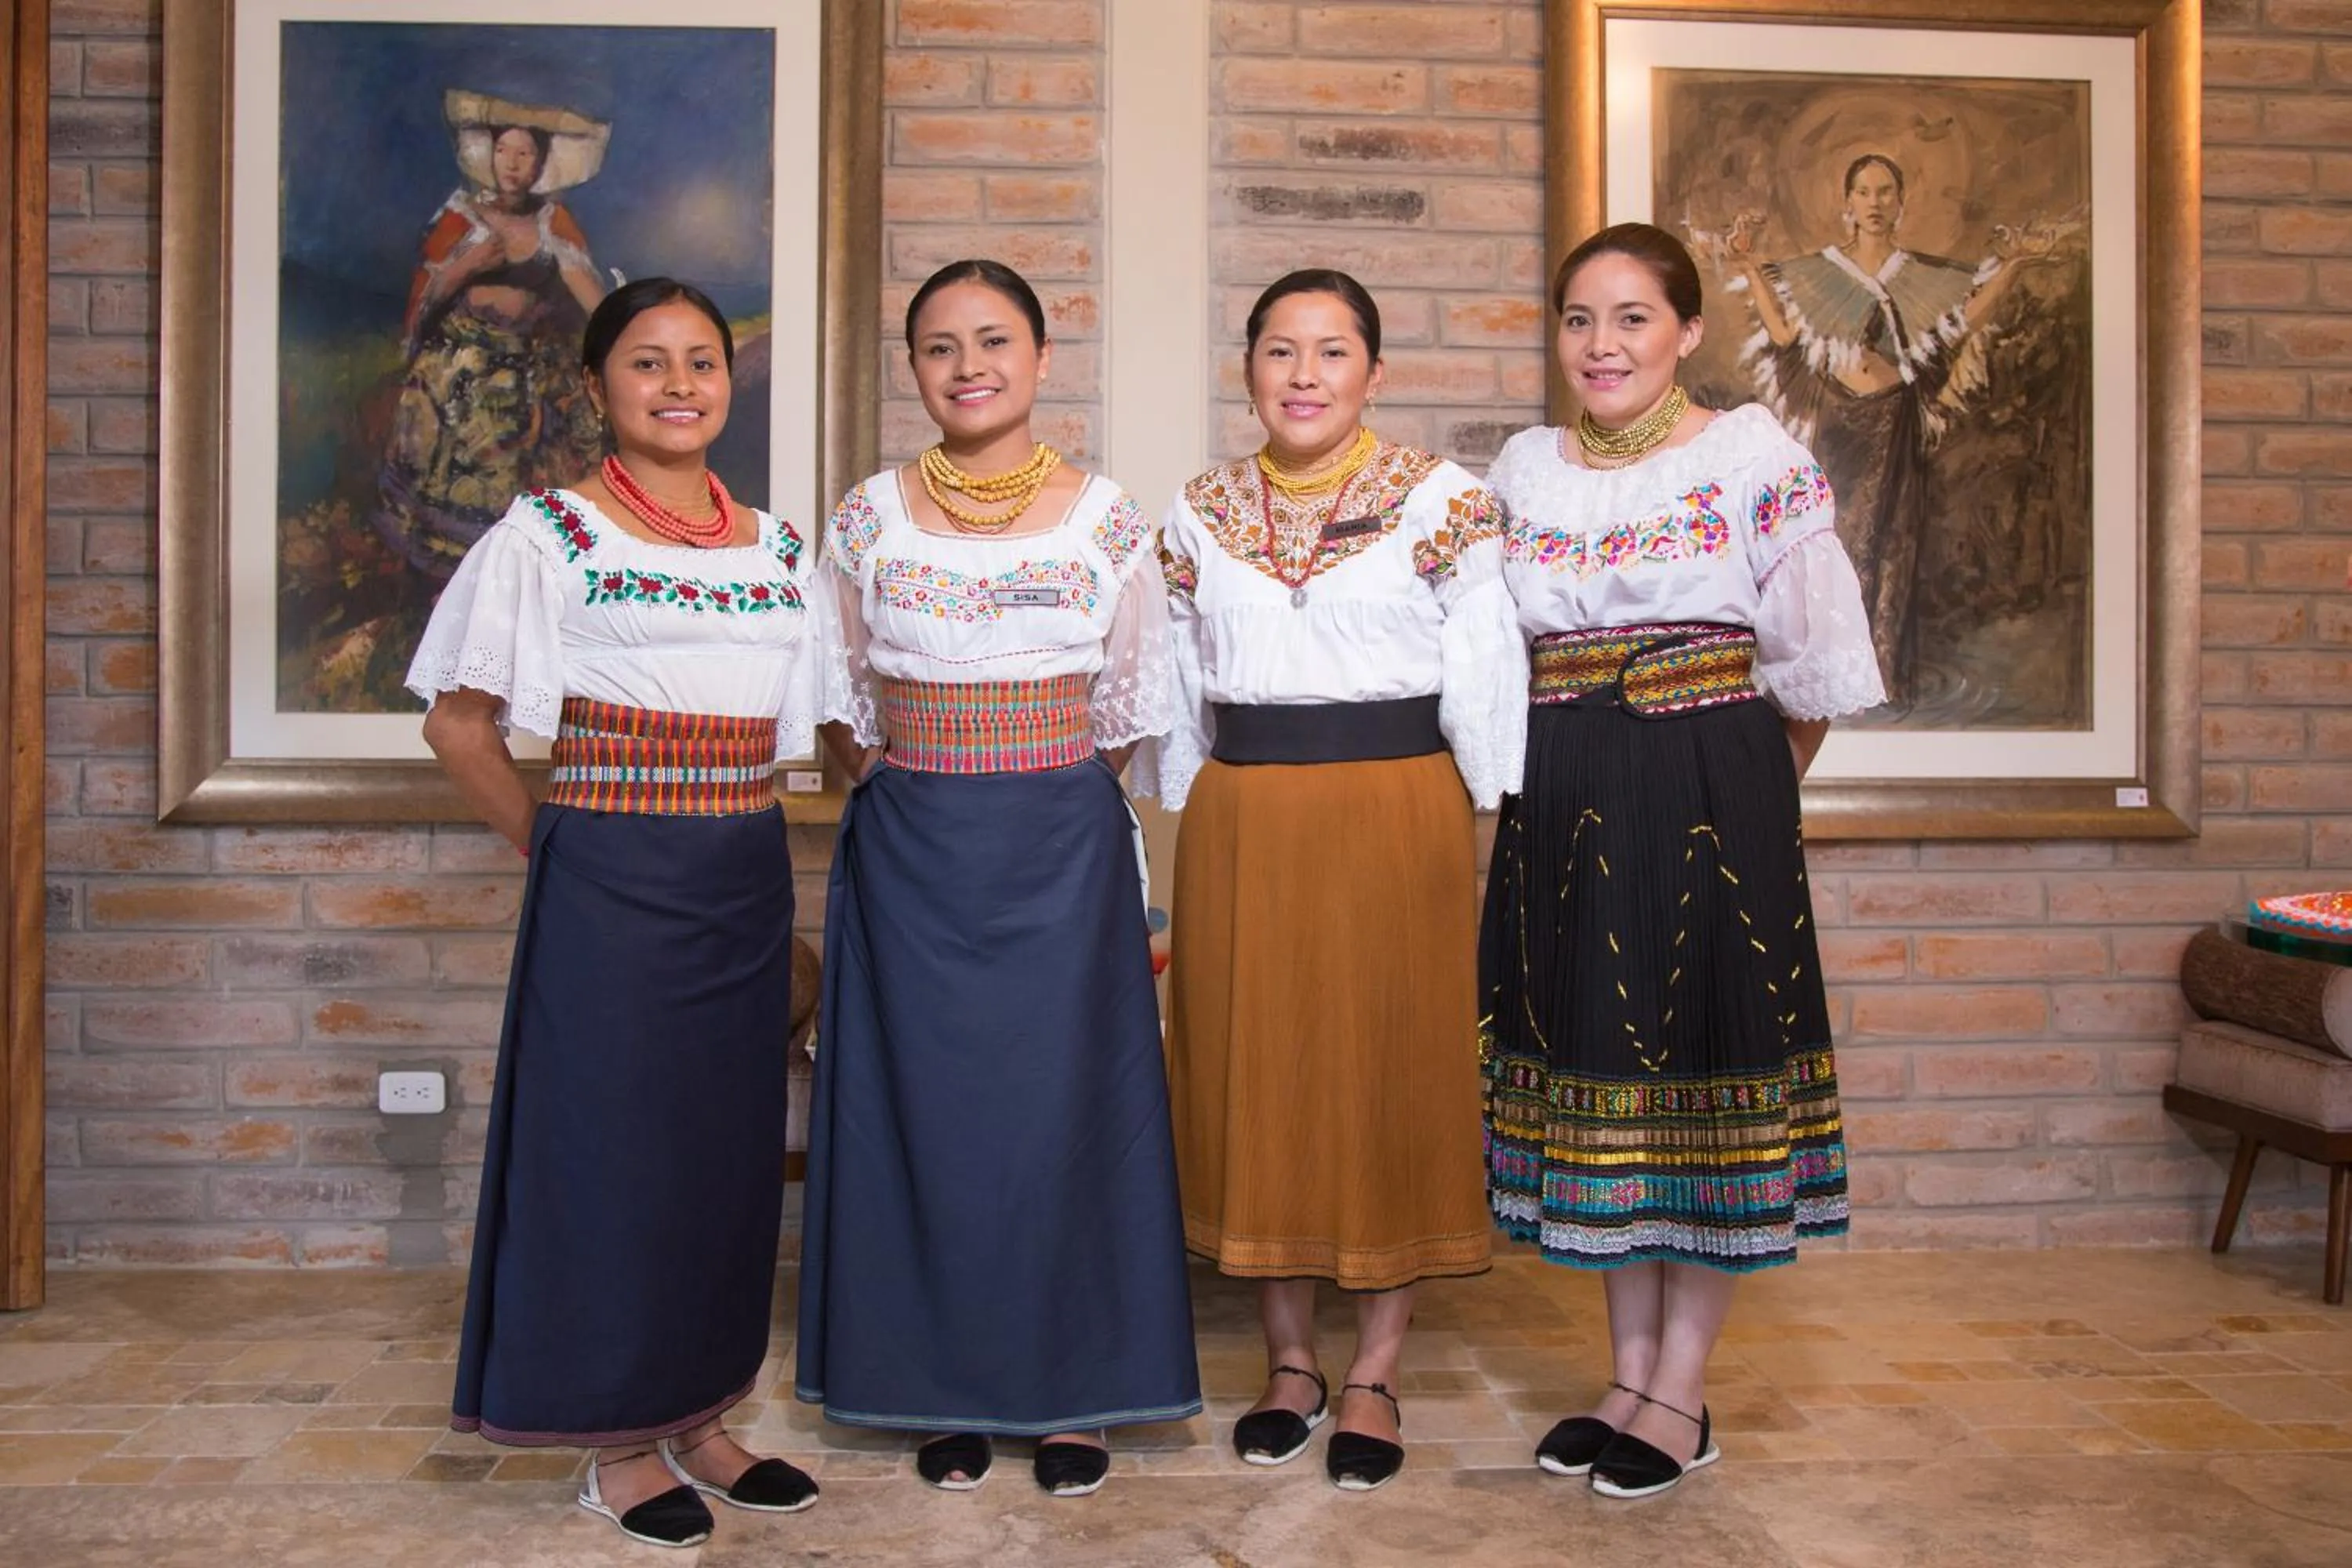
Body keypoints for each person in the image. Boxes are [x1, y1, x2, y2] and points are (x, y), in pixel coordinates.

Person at [408, 278, 822, 1548]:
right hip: (611, 882)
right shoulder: (550, 537)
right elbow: (458, 722)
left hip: (743, 868)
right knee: (614, 1161)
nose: (682, 384)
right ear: (596, 389)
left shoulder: (777, 547)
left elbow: (818, 728)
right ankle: (616, 1443)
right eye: (649, 363)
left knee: (727, 1156)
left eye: (703, 361)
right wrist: (558, 844)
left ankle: (702, 1416)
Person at [1480, 223, 1885, 1499]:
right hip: (1563, 788)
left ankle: (1684, 1392)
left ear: (1688, 331)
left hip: (1710, 784)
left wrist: (1735, 804)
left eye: (1633, 318)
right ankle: (1625, 1374)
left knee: (1698, 1075)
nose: (1603, 346)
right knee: (1602, 1079)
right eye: (1580, 319)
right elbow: (1486, 646)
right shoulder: (1525, 469)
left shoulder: (1754, 458)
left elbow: (1809, 673)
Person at [793, 259, 1201, 1499]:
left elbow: (1134, 706)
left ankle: (1073, 1388)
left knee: (1066, 1112)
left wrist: (1034, 780)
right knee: (930, 1115)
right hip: (913, 847)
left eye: (993, 341)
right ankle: (939, 1384)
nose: (968, 366)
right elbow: (837, 696)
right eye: (938, 347)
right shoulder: (868, 515)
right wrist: (928, 771)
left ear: (1038, 356)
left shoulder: (1107, 518)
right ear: (913, 368)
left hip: (1060, 850)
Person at [1136, 269, 1526, 1494]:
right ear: (1246, 367)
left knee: (1389, 1065)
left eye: (1333, 351)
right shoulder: (1195, 515)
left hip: (1398, 806)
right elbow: (1177, 689)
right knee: (1263, 1064)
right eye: (1279, 351)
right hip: (1248, 815)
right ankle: (1292, 1361)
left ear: (1374, 372)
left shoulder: (1448, 503)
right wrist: (1195, 805)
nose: (1304, 376)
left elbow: (1487, 671)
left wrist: (1482, 815)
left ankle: (1376, 1370)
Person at [1712, 151, 2064, 703]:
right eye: (1864, 192)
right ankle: (1822, 680)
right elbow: (1783, 337)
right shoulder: (1819, 270)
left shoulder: (1921, 275)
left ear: (1900, 203)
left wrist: (2016, 265)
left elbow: (1963, 323)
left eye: (1885, 192)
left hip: (1894, 417)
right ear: (1846, 203)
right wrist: (1753, 266)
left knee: (1892, 539)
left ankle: (1878, 677)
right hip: (1837, 423)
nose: (1874, 203)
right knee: (1829, 540)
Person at [376, 91, 612, 582]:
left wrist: (619, 330)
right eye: (505, 151)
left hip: (532, 367)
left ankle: (526, 578)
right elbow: (430, 292)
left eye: (525, 154)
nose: (513, 163)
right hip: (462, 369)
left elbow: (590, 295)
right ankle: (451, 580)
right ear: (489, 156)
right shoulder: (462, 216)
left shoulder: (554, 222)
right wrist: (469, 265)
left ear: (540, 163)